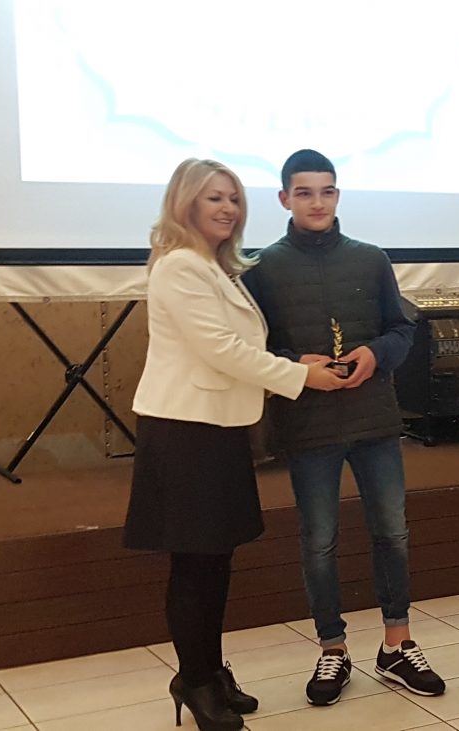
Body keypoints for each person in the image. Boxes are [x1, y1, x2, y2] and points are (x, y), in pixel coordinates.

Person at [124, 158, 337, 731]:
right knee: (195, 564)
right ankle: (194, 681)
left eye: (234, 199)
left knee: (215, 560)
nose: (227, 208)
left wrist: (293, 362)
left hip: (217, 428)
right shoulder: (180, 267)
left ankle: (209, 671)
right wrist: (301, 376)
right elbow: (220, 348)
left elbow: (240, 346)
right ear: (185, 203)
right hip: (184, 431)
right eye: (213, 198)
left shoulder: (215, 266)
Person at [243, 149, 445, 706]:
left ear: (338, 196)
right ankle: (332, 648)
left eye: (327, 191)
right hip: (309, 425)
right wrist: (297, 366)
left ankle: (397, 644)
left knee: (392, 532)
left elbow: (402, 331)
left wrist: (374, 355)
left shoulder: (371, 259)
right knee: (320, 541)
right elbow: (254, 349)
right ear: (284, 198)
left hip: (374, 419)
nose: (317, 202)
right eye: (304, 192)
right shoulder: (262, 268)